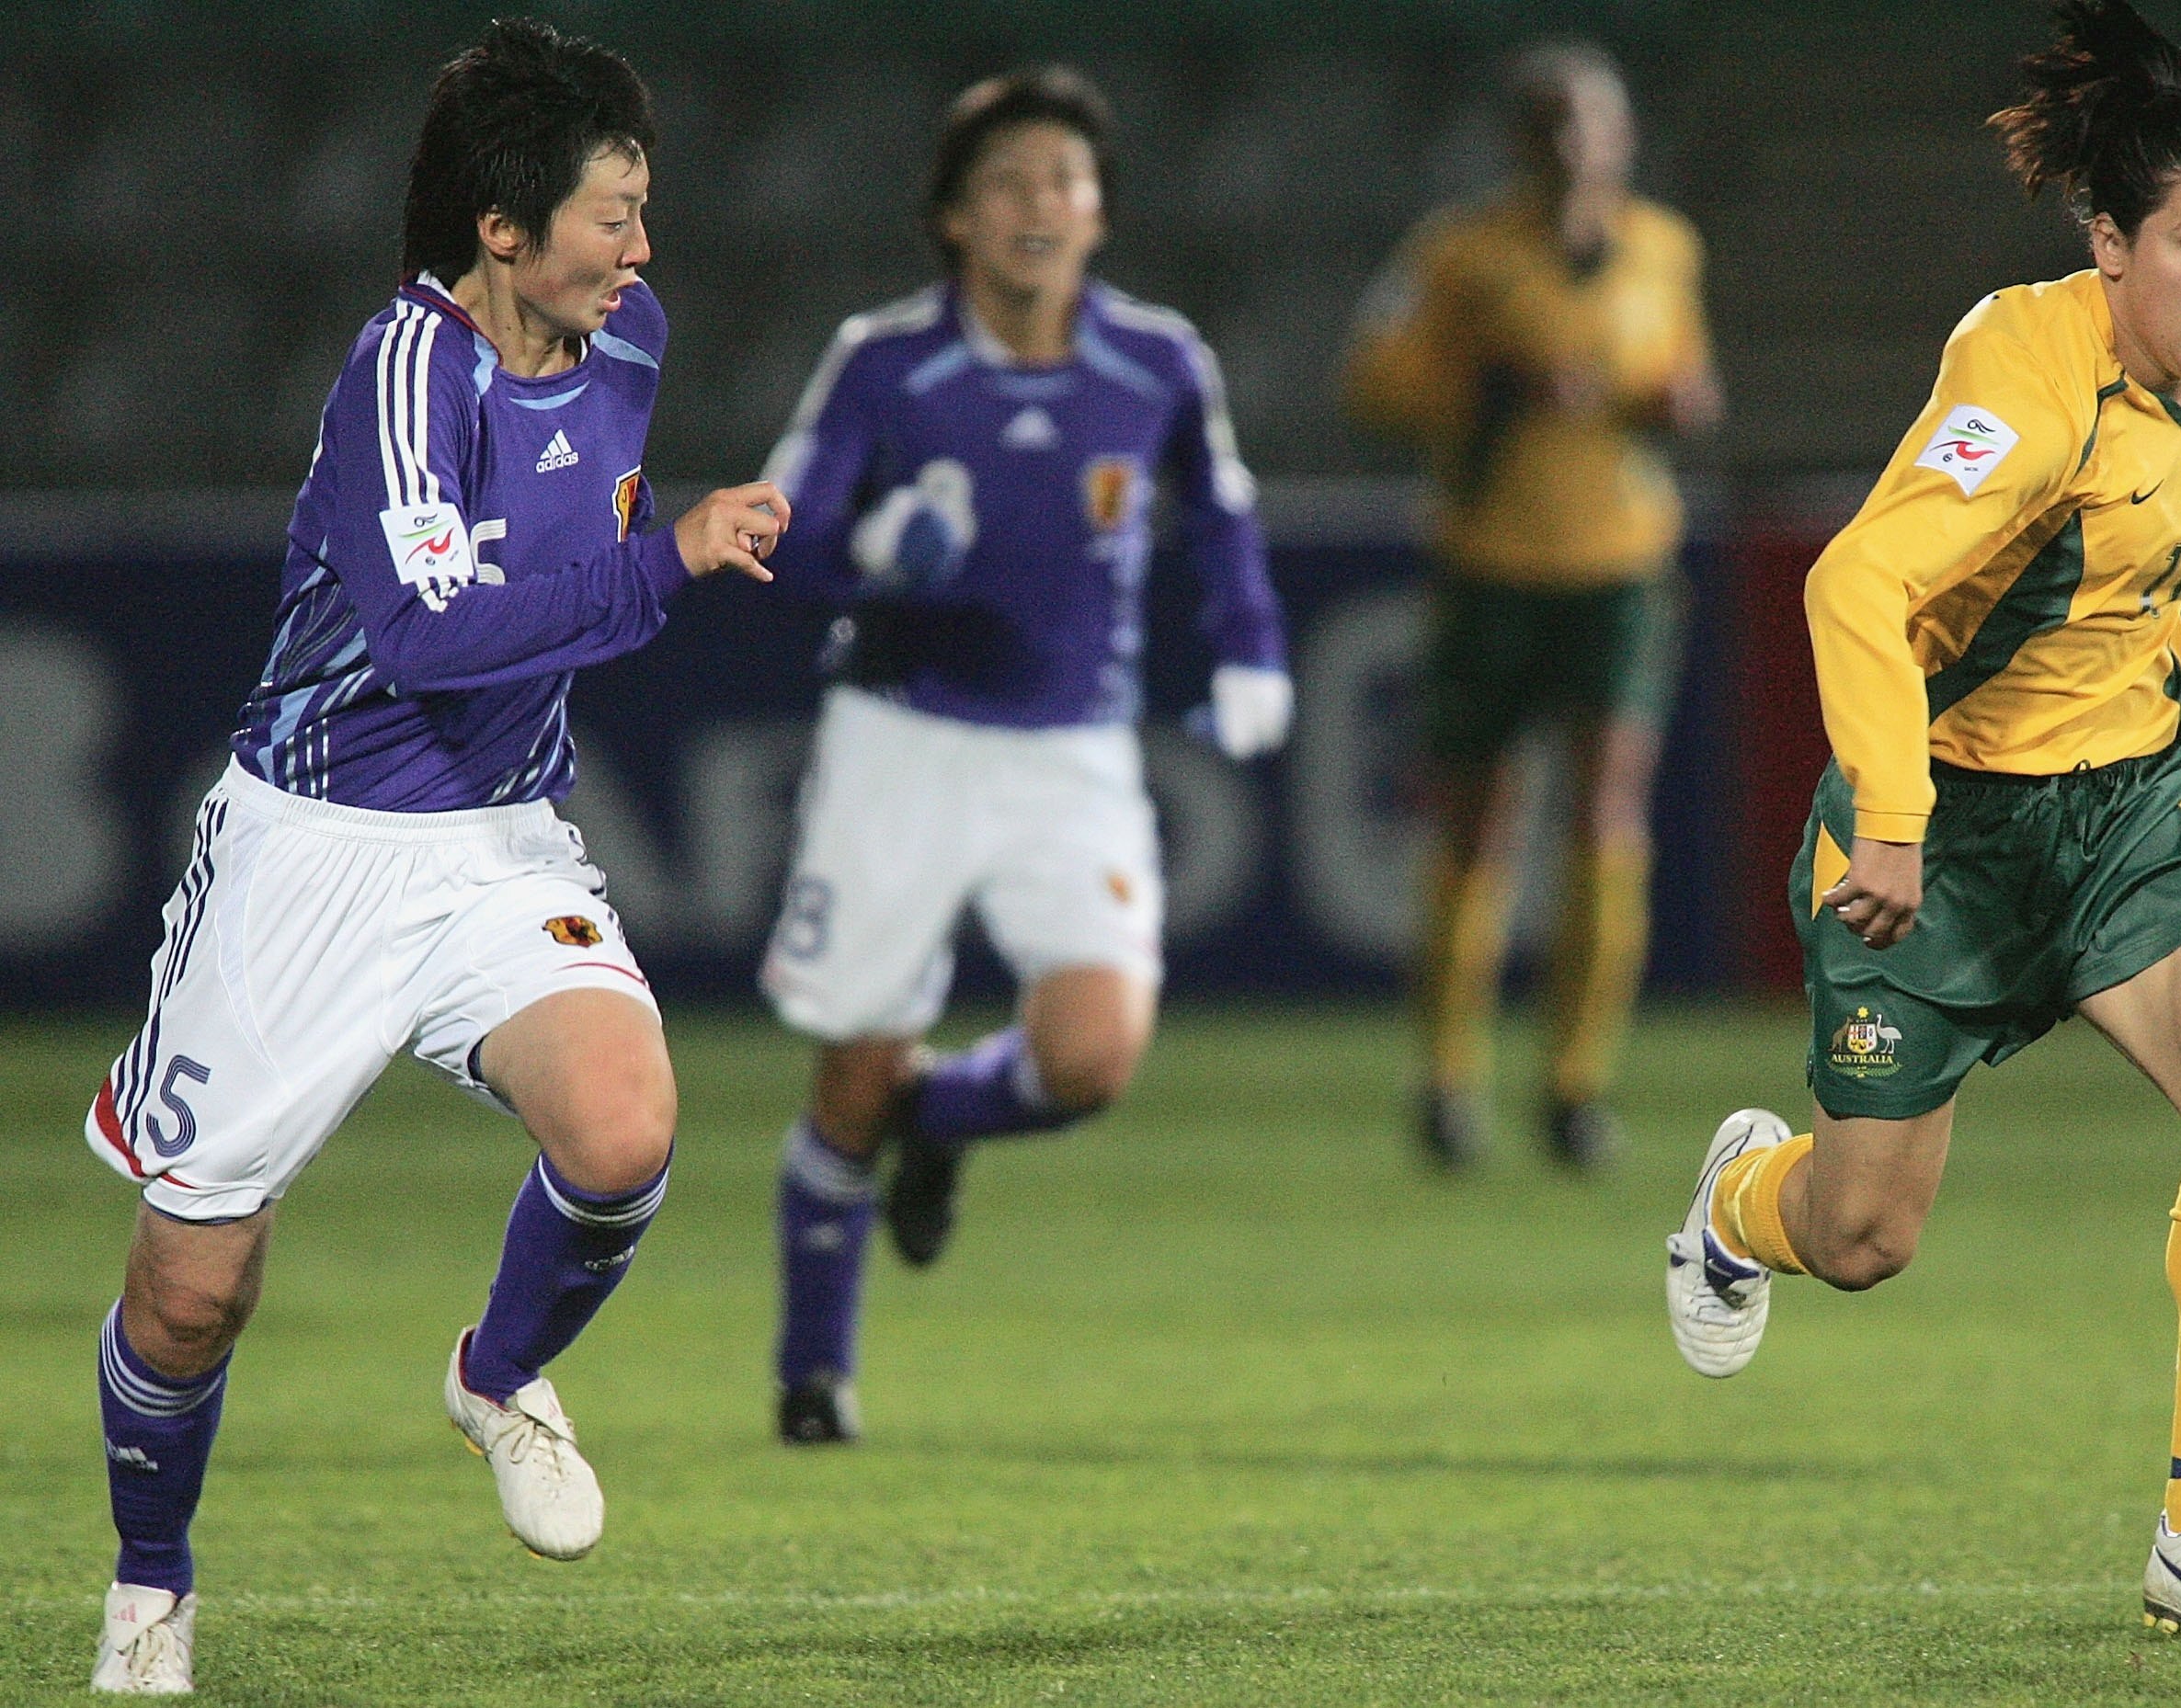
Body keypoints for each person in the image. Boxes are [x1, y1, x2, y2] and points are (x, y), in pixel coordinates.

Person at [74, 18, 789, 1693]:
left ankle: (495, 1368)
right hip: (309, 853)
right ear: (502, 226)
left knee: (622, 1126)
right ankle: (149, 1591)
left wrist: (655, 545)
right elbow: (427, 632)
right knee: (190, 1296)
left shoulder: (630, 343)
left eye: (643, 206)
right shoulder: (404, 373)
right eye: (612, 213)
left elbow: (561, 555)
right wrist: (672, 559)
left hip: (491, 840)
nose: (643, 247)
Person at [1663, 0, 2181, 1664]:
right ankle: (1743, 1196)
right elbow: (1857, 581)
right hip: (1942, 847)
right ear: (2110, 243)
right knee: (1865, 1239)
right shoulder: (2023, 380)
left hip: (2126, 819)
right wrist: (1887, 820)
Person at [756, 66, 1288, 1446]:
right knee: (849, 1075)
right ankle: (814, 1373)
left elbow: (1220, 518)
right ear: (953, 220)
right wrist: (870, 555)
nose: (1038, 204)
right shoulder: (885, 361)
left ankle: (946, 1115)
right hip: (902, 738)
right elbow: (790, 535)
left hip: (1073, 748)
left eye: (1063, 179)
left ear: (1100, 211)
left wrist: (1252, 647)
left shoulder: (1158, 363)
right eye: (1007, 184)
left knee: (1095, 1055)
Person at [1342, 40, 1721, 1172]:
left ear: (1622, 137)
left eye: (1591, 123)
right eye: (1551, 126)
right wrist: (1489, 382)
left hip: (1619, 565)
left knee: (1607, 814)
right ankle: (1448, 1079)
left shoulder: (1663, 248)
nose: (1574, 146)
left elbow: (1685, 378)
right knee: (1478, 821)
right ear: (1518, 145)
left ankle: (1574, 1085)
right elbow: (1371, 380)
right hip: (1492, 564)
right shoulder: (1457, 256)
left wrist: (1673, 402)